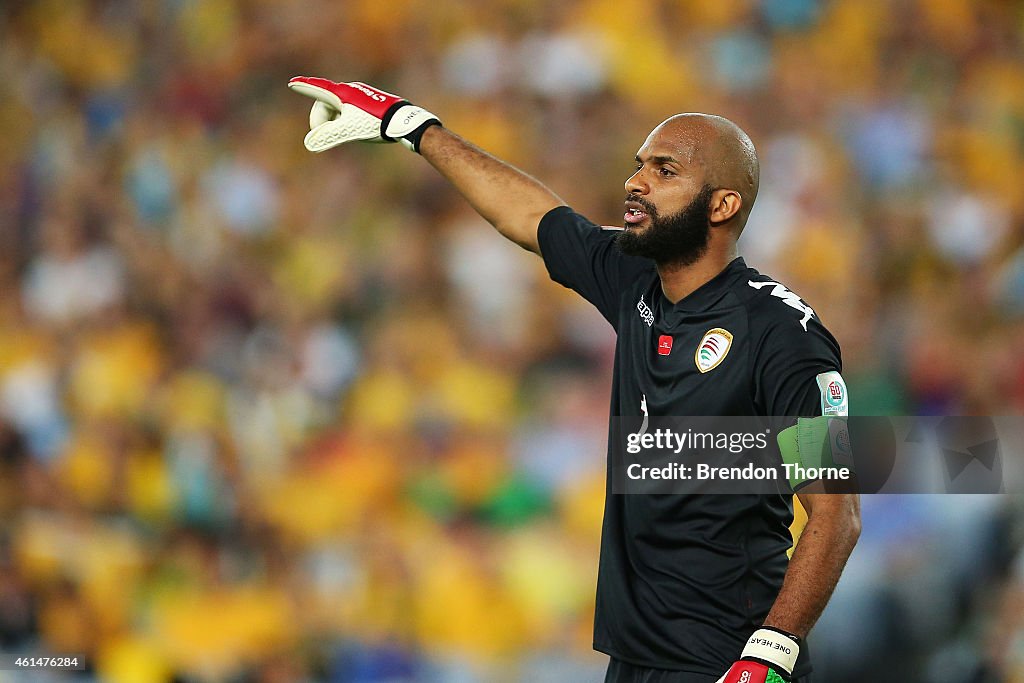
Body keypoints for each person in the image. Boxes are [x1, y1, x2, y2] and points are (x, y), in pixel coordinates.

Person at [287, 77, 861, 683]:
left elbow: (835, 515)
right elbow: (533, 216)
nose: (636, 183)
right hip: (634, 658)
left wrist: (769, 656)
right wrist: (412, 126)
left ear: (722, 205)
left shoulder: (783, 335)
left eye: (665, 171)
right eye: (639, 166)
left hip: (726, 660)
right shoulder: (635, 280)